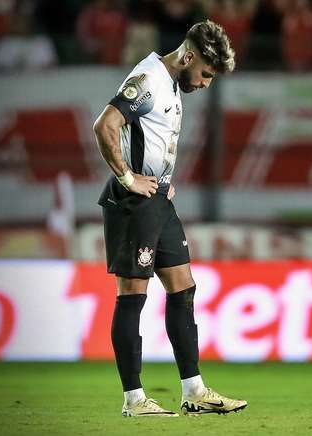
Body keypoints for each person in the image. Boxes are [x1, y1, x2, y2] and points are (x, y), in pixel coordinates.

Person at [92, 20, 247, 417]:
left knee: (183, 287)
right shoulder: (148, 79)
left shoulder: (172, 83)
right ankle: (134, 399)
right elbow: (105, 124)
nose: (207, 83)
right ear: (189, 56)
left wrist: (161, 181)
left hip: (158, 200)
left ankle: (194, 390)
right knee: (132, 296)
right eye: (207, 74)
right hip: (134, 205)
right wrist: (128, 178)